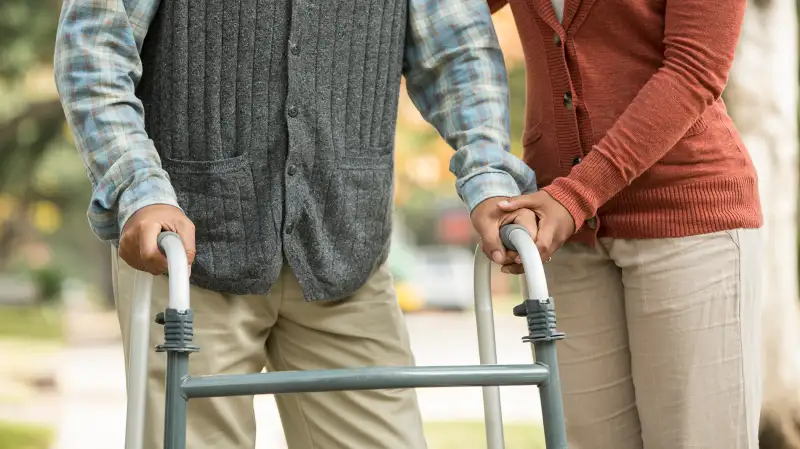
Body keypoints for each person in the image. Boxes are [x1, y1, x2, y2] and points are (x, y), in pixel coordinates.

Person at [54, 0, 538, 447]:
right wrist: (137, 189)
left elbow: (457, 51)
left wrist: (489, 176)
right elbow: (94, 49)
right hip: (184, 254)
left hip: (345, 248)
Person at [488, 0, 763, 448]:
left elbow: (696, 69)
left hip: (685, 219)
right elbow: (441, 16)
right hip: (565, 233)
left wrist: (575, 195)